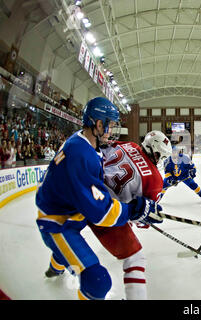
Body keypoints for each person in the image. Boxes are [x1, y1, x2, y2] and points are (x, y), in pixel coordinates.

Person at [35, 97, 164, 300]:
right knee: (98, 282)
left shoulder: (84, 143)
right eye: (110, 126)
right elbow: (101, 212)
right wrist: (133, 210)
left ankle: (56, 265)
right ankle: (59, 258)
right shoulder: (81, 154)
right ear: (99, 124)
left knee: (70, 251)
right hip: (58, 223)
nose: (111, 131)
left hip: (70, 213)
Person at [93, 130, 172, 299]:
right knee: (135, 260)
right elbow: (142, 221)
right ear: (155, 151)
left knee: (69, 229)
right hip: (111, 213)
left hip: (91, 192)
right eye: (161, 156)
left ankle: (57, 265)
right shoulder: (156, 180)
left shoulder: (130, 145)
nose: (161, 160)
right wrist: (147, 219)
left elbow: (102, 150)